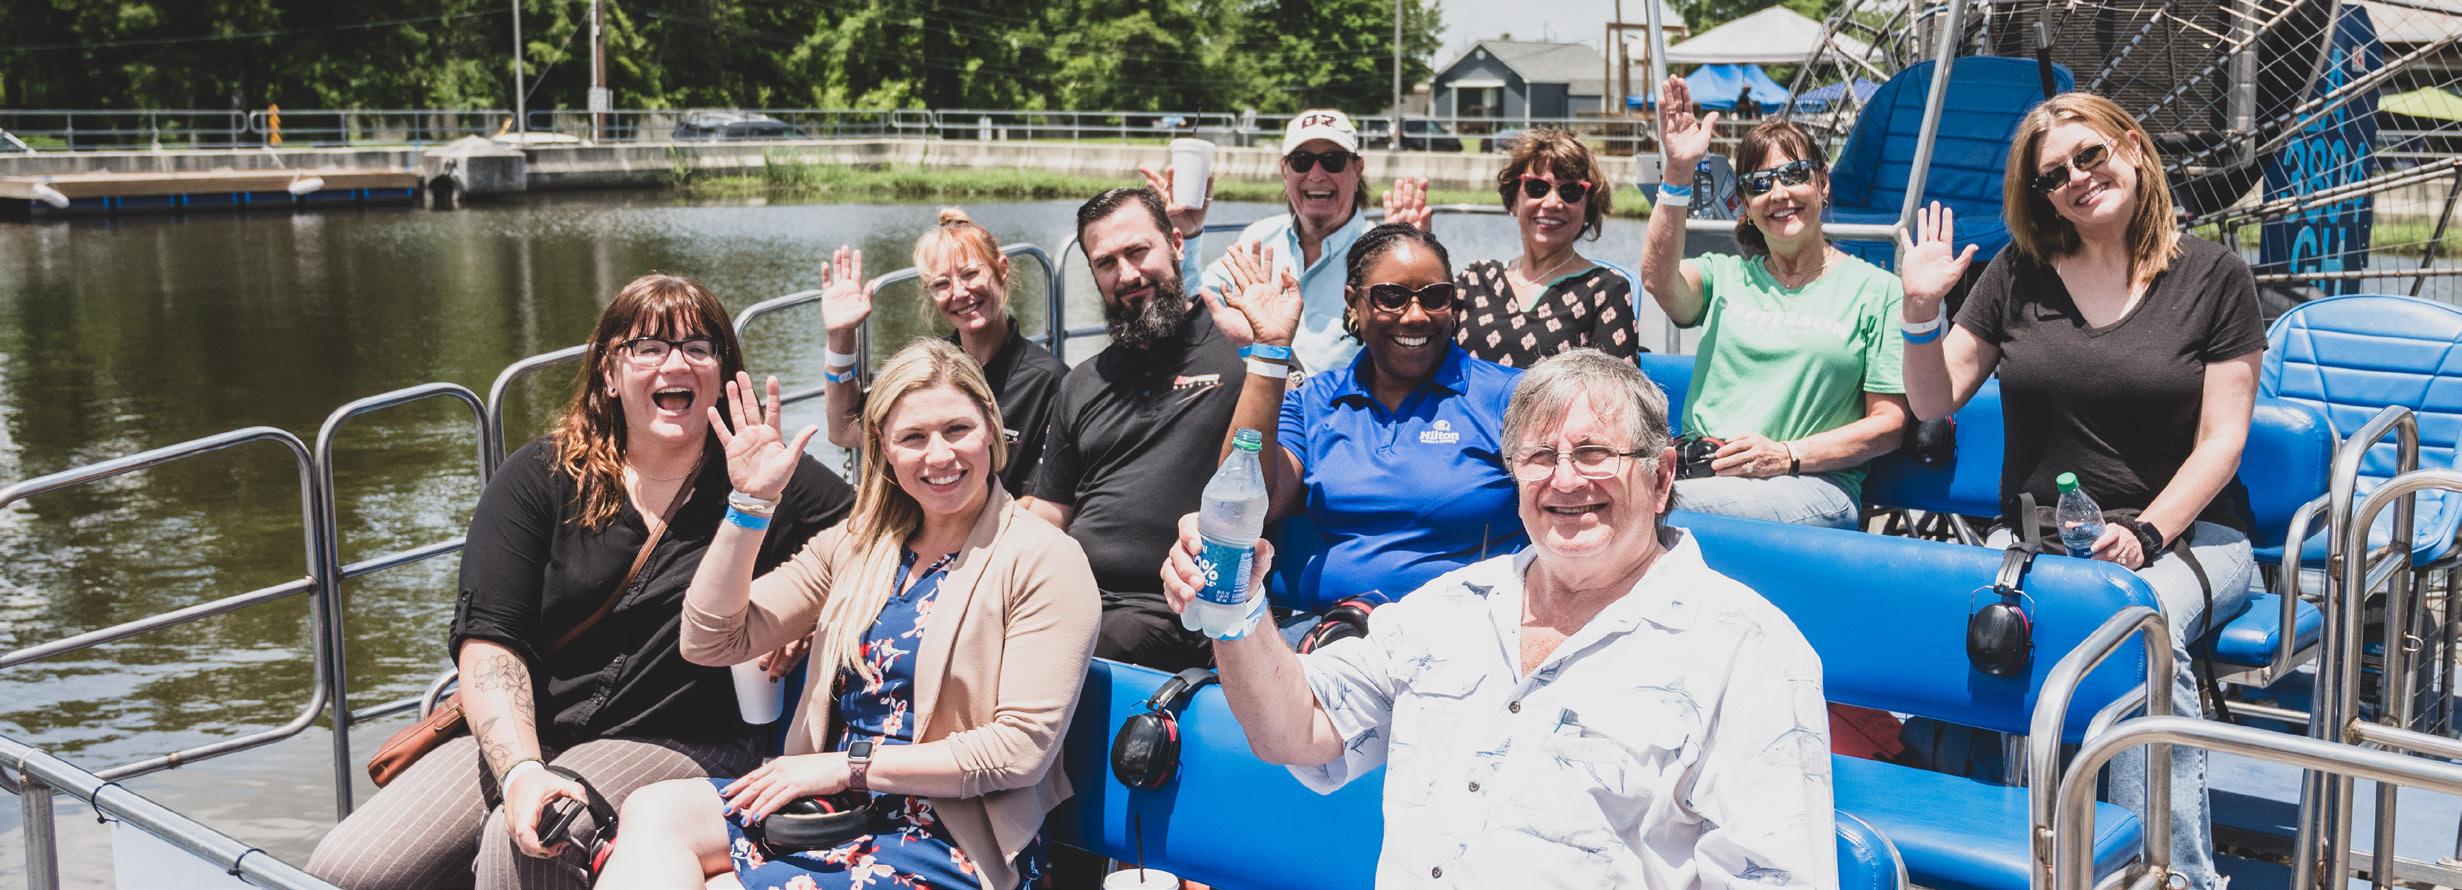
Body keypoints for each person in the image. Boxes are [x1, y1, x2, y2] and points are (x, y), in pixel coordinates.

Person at [1159, 348, 1835, 886]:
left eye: (1594, 454)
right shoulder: (1451, 607)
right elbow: (1296, 727)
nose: (1564, 480)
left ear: (1659, 479)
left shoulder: (1748, 652)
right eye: (1539, 457)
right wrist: (1237, 607)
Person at [308, 274, 855, 890]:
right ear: (608, 374)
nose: (675, 363)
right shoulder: (540, 478)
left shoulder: (770, 477)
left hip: (690, 738)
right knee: (346, 870)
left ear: (723, 372)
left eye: (698, 347)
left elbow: (888, 540)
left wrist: (813, 615)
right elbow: (490, 641)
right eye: (648, 348)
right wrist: (520, 769)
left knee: (537, 838)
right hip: (534, 727)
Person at [1898, 91, 2263, 890]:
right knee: (1997, 630)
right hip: (2040, 538)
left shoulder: (2215, 278)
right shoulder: (2016, 275)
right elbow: (1932, 399)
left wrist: (2149, 533)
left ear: (2130, 145)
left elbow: (2222, 441)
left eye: (2089, 155)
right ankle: (2031, 858)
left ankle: (2171, 873)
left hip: (2190, 535)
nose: (2077, 180)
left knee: (2135, 631)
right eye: (2053, 176)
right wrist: (1921, 311)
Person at [598, 339, 1099, 890]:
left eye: (957, 429)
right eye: (913, 437)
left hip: (944, 836)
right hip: (827, 812)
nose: (939, 456)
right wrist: (751, 505)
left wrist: (847, 767)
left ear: (990, 429)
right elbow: (710, 639)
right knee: (654, 810)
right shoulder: (860, 543)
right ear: (884, 446)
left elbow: (1018, 750)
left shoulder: (1043, 559)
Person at [1207, 222, 1525, 610]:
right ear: (1353, 303)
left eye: (1434, 297)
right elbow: (1249, 505)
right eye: (1391, 297)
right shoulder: (1313, 402)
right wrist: (1270, 349)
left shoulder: (1510, 398)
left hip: (1467, 631)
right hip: (1326, 628)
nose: (1415, 315)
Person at [1639, 75, 1911, 530]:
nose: (1780, 193)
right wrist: (1678, 173)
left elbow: (1889, 425)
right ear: (1745, 204)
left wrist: (1786, 454)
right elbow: (1658, 280)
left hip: (1809, 483)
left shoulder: (1878, 291)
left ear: (1822, 184)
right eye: (1760, 183)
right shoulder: (1725, 276)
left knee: (1643, 510)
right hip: (1701, 471)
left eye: (1795, 175)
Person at [1016, 186, 1243, 672]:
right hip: (1072, 593)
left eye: (1138, 252)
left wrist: (1266, 352)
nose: (1127, 275)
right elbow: (1052, 509)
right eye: (1106, 263)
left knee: (1053, 658)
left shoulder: (1239, 350)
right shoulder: (1082, 382)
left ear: (1177, 244)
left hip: (1173, 606)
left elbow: (1282, 477)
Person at [1140, 109, 1435, 376]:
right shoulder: (1258, 239)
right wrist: (1188, 235)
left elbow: (1419, 347)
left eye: (1332, 161)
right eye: (1302, 161)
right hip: (1260, 408)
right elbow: (1195, 311)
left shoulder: (1385, 254)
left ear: (1357, 169)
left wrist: (1414, 260)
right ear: (1284, 170)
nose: (1316, 174)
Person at [819, 208, 1067, 495]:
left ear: (1001, 269)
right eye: (942, 284)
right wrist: (840, 336)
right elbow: (845, 431)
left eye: (970, 274)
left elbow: (1046, 501)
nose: (959, 293)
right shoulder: (926, 367)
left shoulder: (1048, 382)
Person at [1452, 128, 1640, 367]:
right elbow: (1419, 336)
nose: (1552, 203)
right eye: (1537, 188)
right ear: (1513, 200)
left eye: (1570, 191)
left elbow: (1616, 384)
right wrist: (1418, 246)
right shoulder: (1477, 280)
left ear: (1588, 209)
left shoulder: (1605, 290)